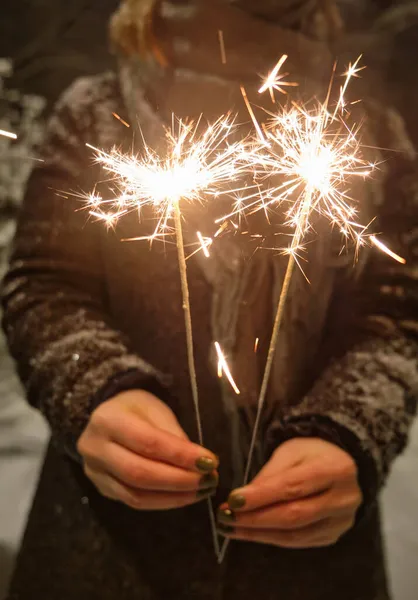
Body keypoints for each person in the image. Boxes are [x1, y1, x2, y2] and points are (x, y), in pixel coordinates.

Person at [2, 1, 418, 599]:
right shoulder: (98, 113)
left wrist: (350, 426)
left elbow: (395, 311)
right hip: (107, 554)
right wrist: (94, 387)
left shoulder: (370, 132)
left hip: (315, 570)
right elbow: (43, 282)